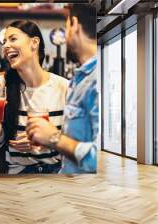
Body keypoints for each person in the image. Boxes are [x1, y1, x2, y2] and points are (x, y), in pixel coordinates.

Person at [0, 20, 69, 174]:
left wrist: (45, 141)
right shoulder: (1, 84)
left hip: (56, 172)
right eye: (4, 41)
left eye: (13, 39)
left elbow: (75, 143)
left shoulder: (64, 87)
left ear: (34, 43)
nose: (6, 46)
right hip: (19, 173)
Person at [26, 4, 98, 174]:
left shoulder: (95, 80)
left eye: (66, 29)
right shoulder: (81, 78)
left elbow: (100, 160)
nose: (65, 38)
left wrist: (53, 138)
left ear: (74, 24)